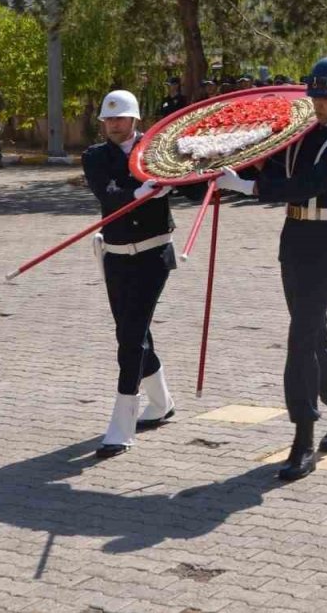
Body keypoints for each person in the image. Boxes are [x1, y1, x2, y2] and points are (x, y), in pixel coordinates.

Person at [215, 57, 327, 482]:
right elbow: (281, 169)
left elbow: (307, 184)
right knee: (314, 339)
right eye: (314, 97)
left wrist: (248, 187)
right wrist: (241, 160)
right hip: (295, 239)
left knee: (300, 338)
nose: (318, 105)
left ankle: (303, 438)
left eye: (326, 98)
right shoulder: (305, 134)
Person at [81, 90, 188, 458]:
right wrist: (140, 192)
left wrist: (183, 178)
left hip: (153, 254)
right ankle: (161, 402)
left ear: (135, 119)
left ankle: (120, 426)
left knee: (130, 336)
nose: (113, 125)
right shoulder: (95, 156)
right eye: (108, 119)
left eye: (120, 118)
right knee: (131, 329)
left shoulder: (159, 150)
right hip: (115, 256)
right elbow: (107, 193)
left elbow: (192, 180)